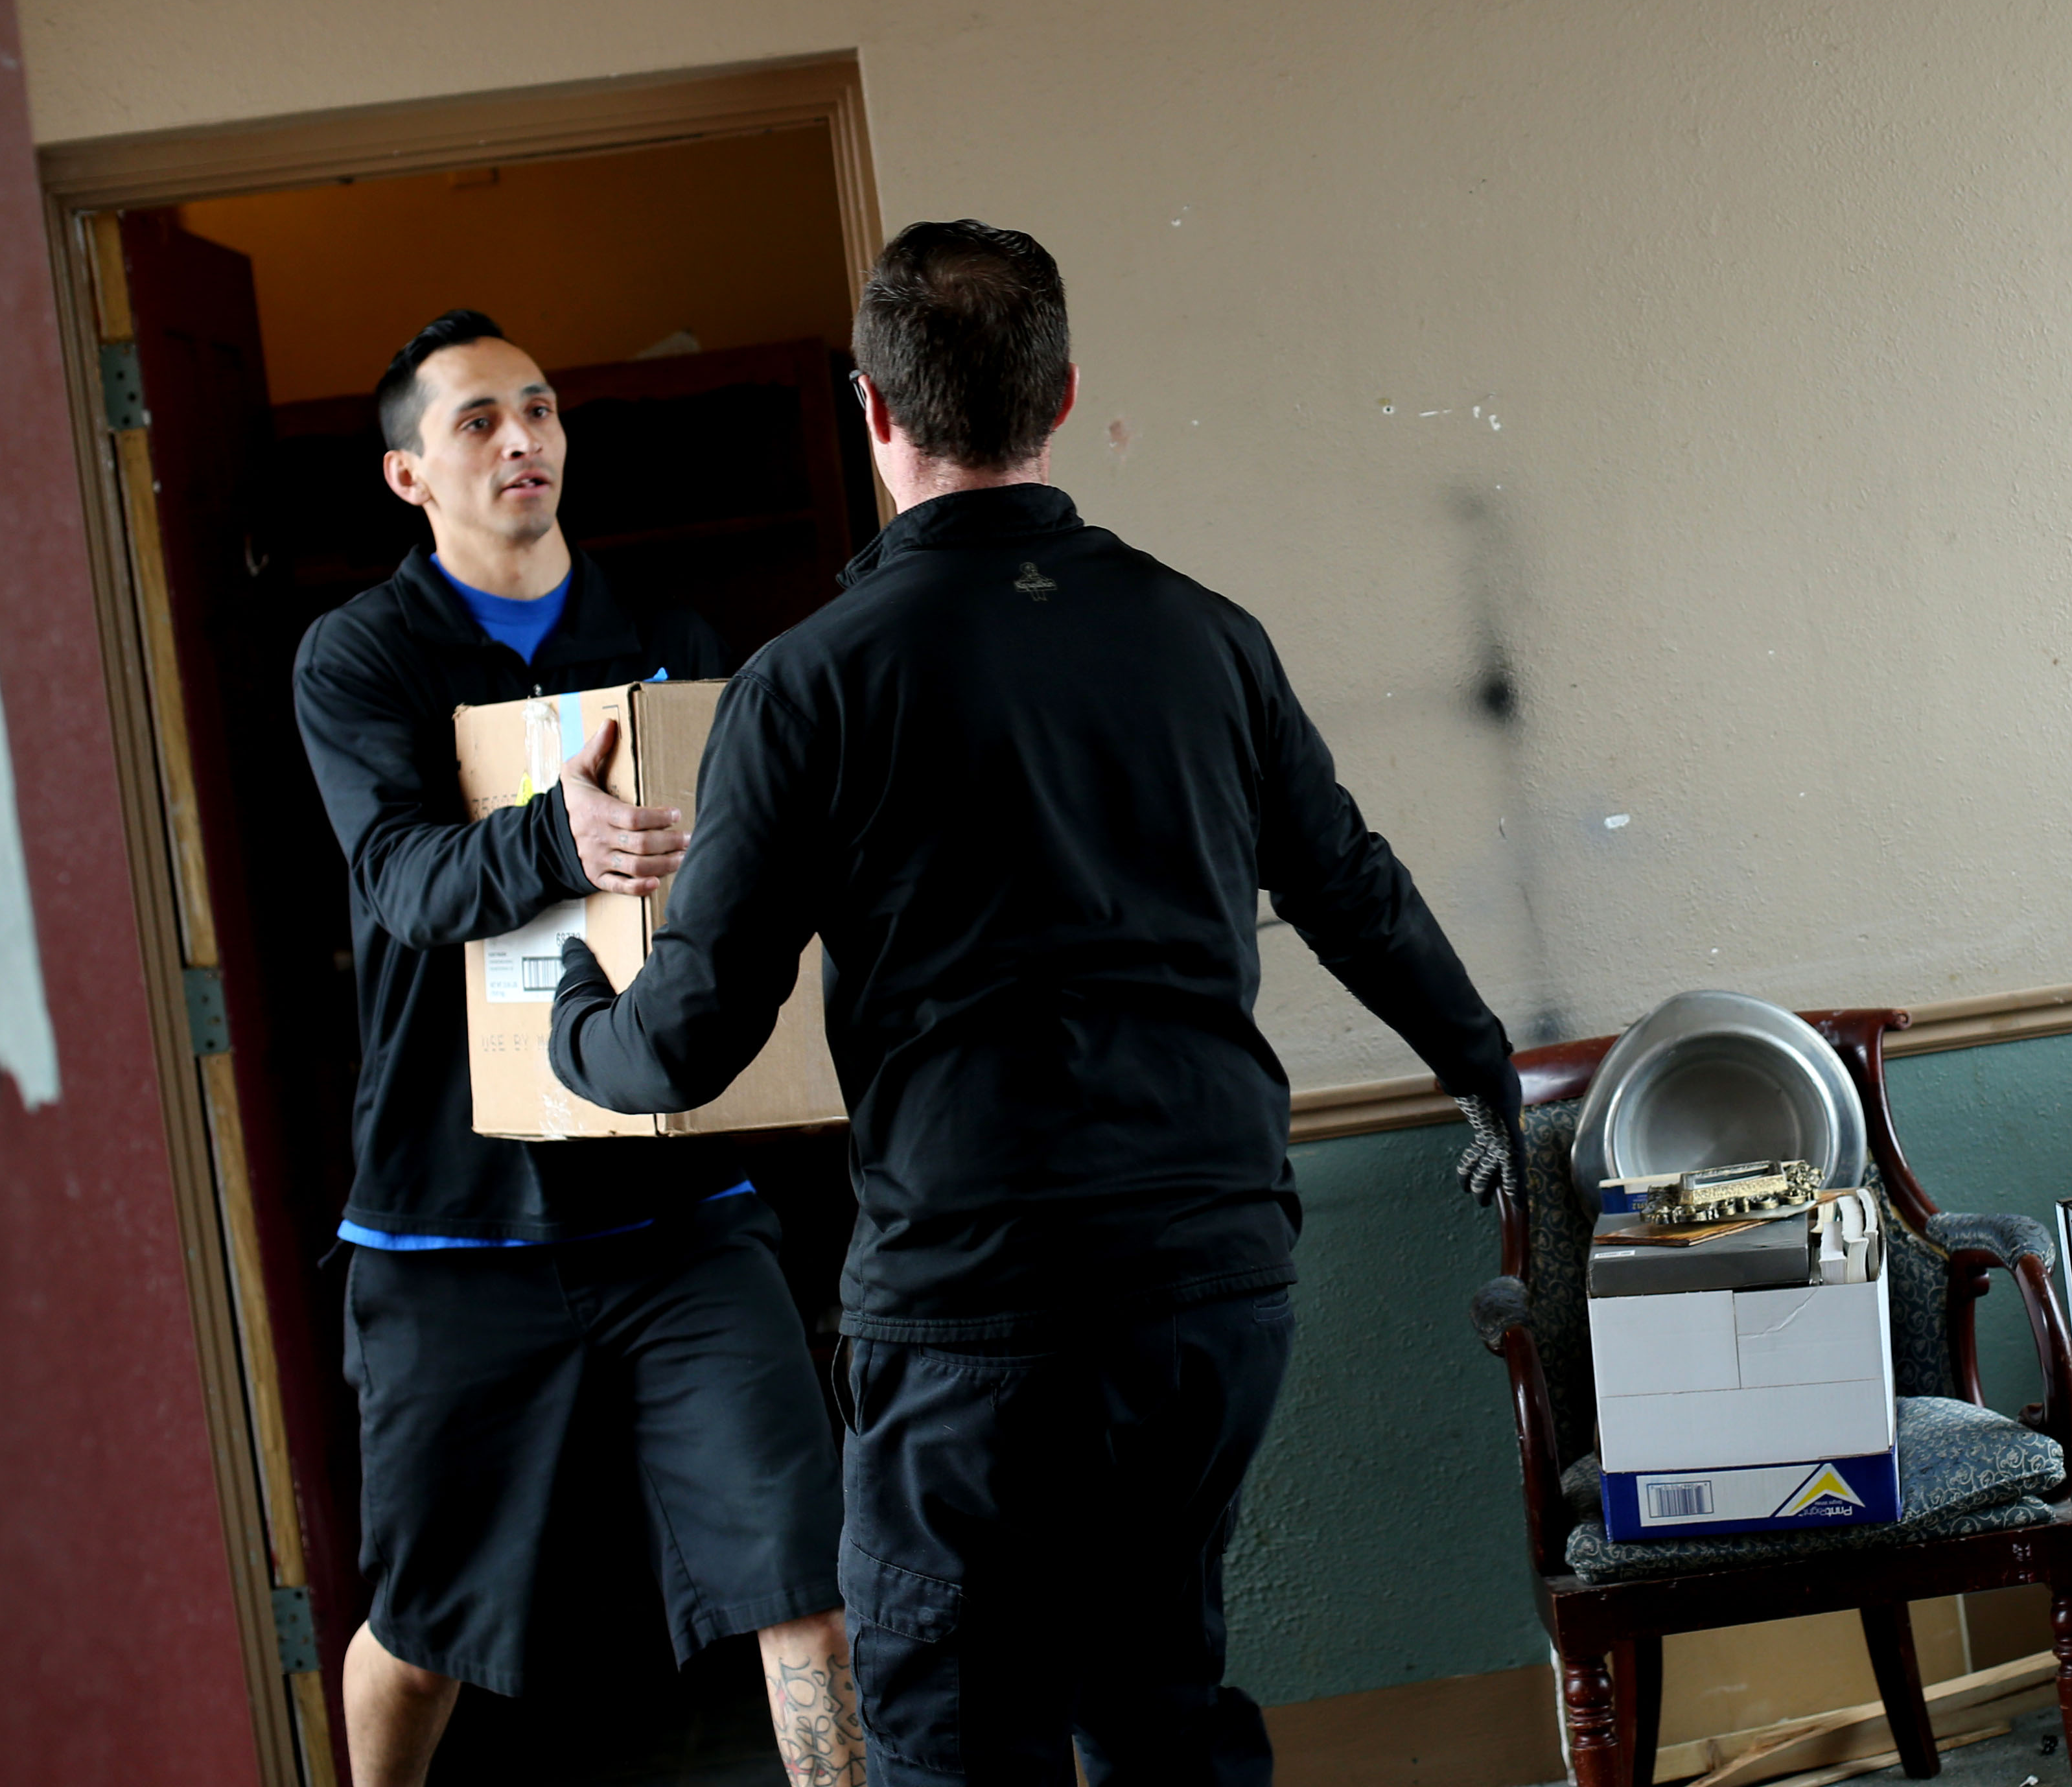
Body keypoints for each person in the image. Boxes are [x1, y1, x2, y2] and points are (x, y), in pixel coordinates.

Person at [547, 224, 1525, 1787]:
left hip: (973, 1316)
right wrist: (1485, 1073)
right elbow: (1354, 891)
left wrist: (564, 1009)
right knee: (1154, 1705)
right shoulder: (1205, 640)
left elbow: (683, 1039)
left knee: (955, 1739)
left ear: (870, 411)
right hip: (1213, 1296)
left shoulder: (805, 686)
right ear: (1061, 397)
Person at [292, 310, 864, 1787]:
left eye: (537, 408)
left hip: (678, 1216)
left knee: (807, 1586)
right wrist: (563, 835)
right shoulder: (357, 658)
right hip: (448, 1229)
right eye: (476, 420)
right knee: (419, 1635)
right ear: (407, 476)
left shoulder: (668, 644)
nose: (520, 438)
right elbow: (407, 884)